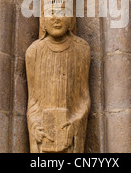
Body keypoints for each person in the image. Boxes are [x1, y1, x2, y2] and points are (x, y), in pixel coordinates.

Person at [26, 10, 91, 153]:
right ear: (43, 21)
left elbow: (83, 97)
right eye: (50, 13)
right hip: (44, 134)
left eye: (62, 12)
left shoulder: (82, 49)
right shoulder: (34, 51)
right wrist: (35, 125)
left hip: (69, 129)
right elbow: (33, 101)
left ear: (71, 20)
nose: (56, 18)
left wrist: (75, 123)